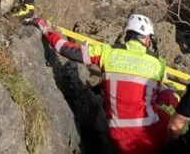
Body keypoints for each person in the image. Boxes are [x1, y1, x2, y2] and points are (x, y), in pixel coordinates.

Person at [31, 14, 179, 154]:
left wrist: (47, 30)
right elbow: (165, 98)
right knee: (171, 120)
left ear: (127, 35)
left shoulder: (107, 52)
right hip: (150, 135)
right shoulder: (158, 64)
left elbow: (68, 50)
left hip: (117, 135)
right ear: (147, 39)